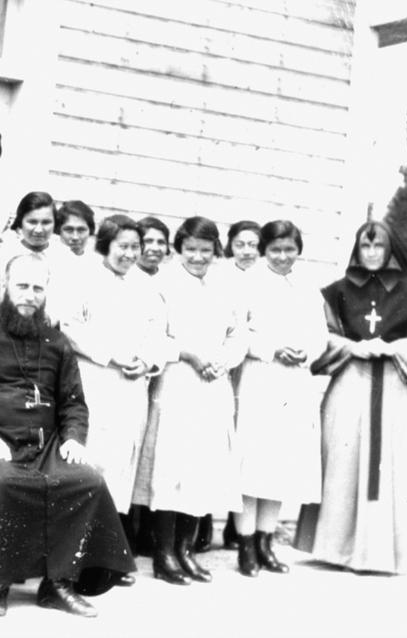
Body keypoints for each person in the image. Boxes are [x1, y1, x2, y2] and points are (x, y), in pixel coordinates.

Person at [0, 254, 136, 618]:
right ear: (4, 287)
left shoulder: (57, 341)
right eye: (22, 286)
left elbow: (74, 402)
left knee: (86, 480)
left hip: (44, 446)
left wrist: (74, 438)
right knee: (4, 481)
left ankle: (58, 584)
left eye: (37, 288)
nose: (29, 295)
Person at [294, 220, 407, 574]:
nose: (372, 253)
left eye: (378, 247)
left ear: (390, 250)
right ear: (357, 250)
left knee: (392, 464)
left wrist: (394, 349)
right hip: (350, 384)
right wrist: (351, 346)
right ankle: (338, 550)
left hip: (394, 387)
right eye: (366, 247)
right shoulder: (337, 291)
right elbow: (320, 335)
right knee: (345, 461)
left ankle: (390, 552)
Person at [137, 216, 245, 586]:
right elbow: (151, 336)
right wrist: (187, 354)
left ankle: (186, 550)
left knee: (202, 467)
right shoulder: (161, 283)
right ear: (178, 248)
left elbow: (238, 334)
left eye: (205, 250)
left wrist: (223, 359)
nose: (198, 257)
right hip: (177, 381)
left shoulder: (226, 285)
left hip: (214, 384)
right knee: (172, 468)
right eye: (190, 249)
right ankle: (164, 554)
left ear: (216, 250)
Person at [59, 215, 165, 569]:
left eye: (136, 247)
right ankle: (76, 554)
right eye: (123, 246)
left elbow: (157, 330)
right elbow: (70, 326)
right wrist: (111, 356)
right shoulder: (83, 278)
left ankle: (106, 555)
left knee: (122, 465)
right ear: (106, 245)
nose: (131, 253)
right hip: (95, 379)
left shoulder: (146, 286)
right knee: (92, 461)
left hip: (132, 385)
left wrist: (147, 361)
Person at [233, 220, 326, 577]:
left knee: (279, 463)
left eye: (289, 250)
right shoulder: (248, 283)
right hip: (261, 379)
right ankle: (245, 546)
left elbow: (320, 334)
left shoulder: (306, 286)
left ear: (298, 250)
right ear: (263, 251)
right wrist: (272, 349)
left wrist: (307, 352)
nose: (283, 257)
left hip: (296, 384)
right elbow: (238, 333)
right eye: (275, 250)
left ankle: (265, 542)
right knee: (252, 462)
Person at [199, 219, 264, 552]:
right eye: (240, 244)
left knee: (243, 449)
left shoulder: (266, 278)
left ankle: (238, 529)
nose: (247, 251)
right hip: (224, 371)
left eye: (253, 245)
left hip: (251, 370)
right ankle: (204, 518)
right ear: (230, 246)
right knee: (216, 445)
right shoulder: (219, 276)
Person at [0, 192, 75, 326]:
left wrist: (51, 318)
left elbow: (69, 301)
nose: (38, 229)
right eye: (32, 222)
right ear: (21, 222)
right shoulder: (3, 254)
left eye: (46, 222)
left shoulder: (65, 258)